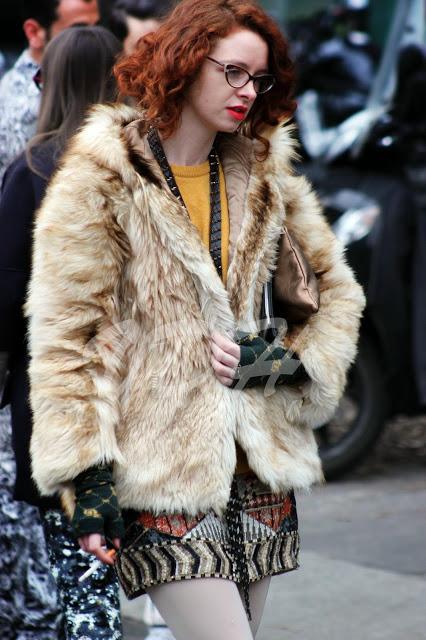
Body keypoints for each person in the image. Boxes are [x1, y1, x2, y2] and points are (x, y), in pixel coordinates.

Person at [27, 1, 366, 638]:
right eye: (233, 72)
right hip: (159, 472)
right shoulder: (101, 177)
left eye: (259, 80)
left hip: (259, 469)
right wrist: (87, 478)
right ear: (185, 61)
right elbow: (68, 339)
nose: (248, 92)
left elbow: (337, 296)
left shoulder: (263, 175)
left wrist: (287, 363)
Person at [0, 25, 124, 640]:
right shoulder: (145, 166)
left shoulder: (31, 171)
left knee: (86, 590)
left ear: (48, 83)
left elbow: (5, 296)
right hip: (142, 393)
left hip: (60, 404)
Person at [0, 0, 99, 182]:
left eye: (97, 27)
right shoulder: (26, 107)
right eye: (79, 29)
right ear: (34, 32)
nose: (94, 38)